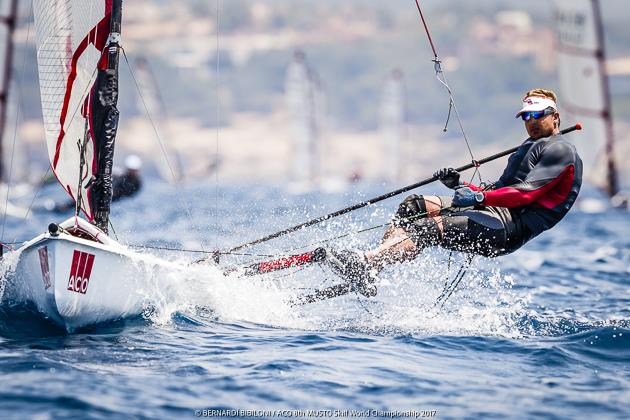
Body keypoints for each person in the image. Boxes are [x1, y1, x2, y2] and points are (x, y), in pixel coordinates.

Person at [330, 88, 583, 291]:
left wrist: (479, 196)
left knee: (426, 228)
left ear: (556, 117)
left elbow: (525, 194)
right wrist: (461, 185)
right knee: (414, 206)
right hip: (493, 211)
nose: (532, 121)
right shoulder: (530, 146)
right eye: (526, 116)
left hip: (508, 228)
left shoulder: (561, 150)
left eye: (538, 115)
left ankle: (368, 262)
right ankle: (374, 266)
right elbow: (498, 190)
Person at [44, 154, 143, 213]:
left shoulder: (137, 183)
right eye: (130, 169)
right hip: (103, 196)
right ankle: (63, 207)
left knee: (90, 202)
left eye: (134, 170)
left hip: (111, 201)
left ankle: (65, 208)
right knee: (85, 198)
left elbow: (129, 195)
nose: (132, 172)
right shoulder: (121, 175)